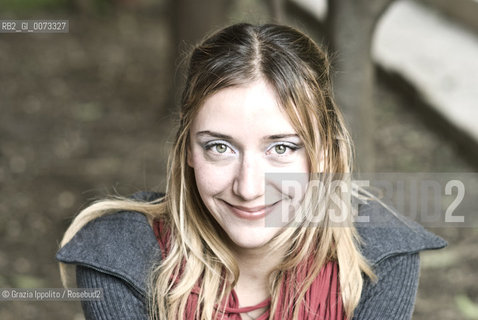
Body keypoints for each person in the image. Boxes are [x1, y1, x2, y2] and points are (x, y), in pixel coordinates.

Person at [56, 23, 446, 320]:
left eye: (281, 148)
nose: (248, 188)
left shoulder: (378, 254)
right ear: (188, 149)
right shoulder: (121, 257)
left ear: (324, 151)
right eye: (220, 147)